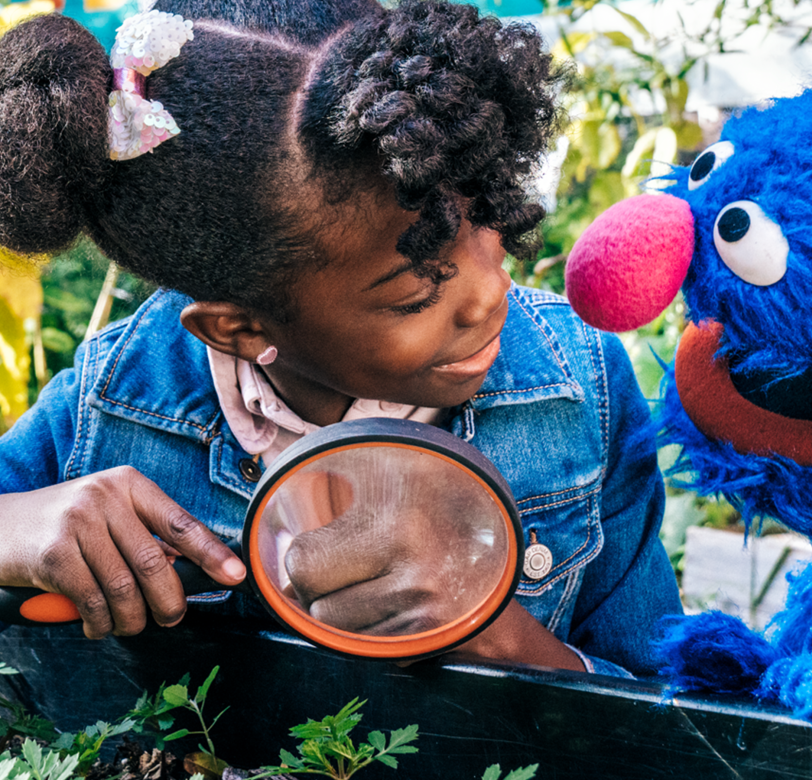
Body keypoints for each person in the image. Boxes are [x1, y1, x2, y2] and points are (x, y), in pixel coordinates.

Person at [0, 0, 681, 678]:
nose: (490, 293)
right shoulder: (115, 401)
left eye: (485, 217)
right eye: (417, 294)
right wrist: (17, 528)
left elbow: (675, 721)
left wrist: (506, 643)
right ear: (238, 329)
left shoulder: (578, 385)